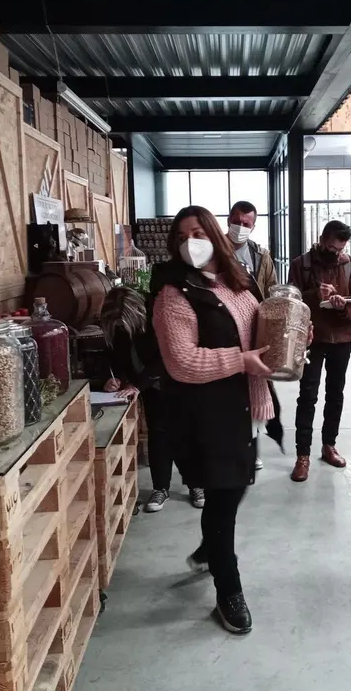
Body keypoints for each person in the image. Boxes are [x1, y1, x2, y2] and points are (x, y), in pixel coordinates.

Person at [152, 205, 274, 634]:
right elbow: (182, 362)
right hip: (207, 414)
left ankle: (209, 549)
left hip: (244, 407)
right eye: (182, 235)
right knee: (223, 503)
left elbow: (260, 328)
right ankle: (228, 590)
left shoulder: (239, 280)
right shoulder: (174, 294)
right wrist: (241, 360)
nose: (191, 242)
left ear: (215, 235)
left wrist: (289, 339)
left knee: (235, 487)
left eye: (199, 231)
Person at [100, 286, 203, 512]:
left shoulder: (161, 317)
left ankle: (197, 484)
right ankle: (160, 488)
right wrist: (115, 378)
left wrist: (138, 384)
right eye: (117, 327)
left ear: (138, 314)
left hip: (177, 380)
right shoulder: (116, 322)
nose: (121, 329)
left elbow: (168, 356)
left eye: (125, 326)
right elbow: (115, 356)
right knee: (159, 432)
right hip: (149, 386)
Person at [287, 220, 351, 482]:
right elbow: (290, 301)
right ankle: (303, 455)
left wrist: (343, 305)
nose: (336, 252)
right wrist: (315, 295)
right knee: (307, 396)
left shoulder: (350, 264)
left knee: (335, 394)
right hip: (312, 337)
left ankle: (329, 445)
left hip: (341, 338)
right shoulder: (302, 264)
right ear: (322, 239)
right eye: (332, 247)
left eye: (341, 248)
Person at [227, 200, 283, 463]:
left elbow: (271, 290)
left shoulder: (261, 255)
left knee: (255, 386)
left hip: (254, 328)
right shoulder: (215, 251)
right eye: (236, 221)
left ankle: (252, 444)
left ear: (253, 225)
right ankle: (230, 444)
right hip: (226, 328)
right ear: (228, 219)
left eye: (245, 223)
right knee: (230, 388)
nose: (240, 227)